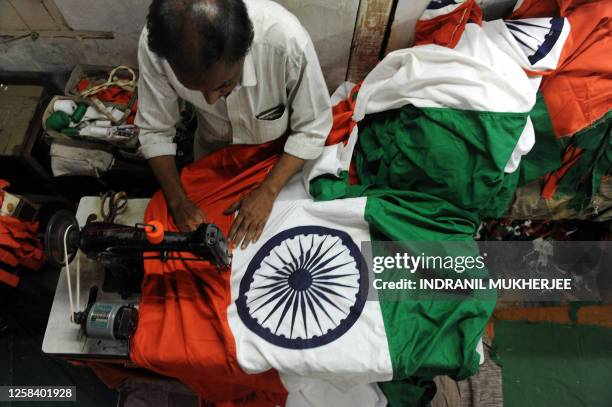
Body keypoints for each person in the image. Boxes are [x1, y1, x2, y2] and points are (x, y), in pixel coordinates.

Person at [136, 0, 332, 248]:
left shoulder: (285, 41)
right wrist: (178, 202)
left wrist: (268, 191)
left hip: (278, 161)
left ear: (245, 50)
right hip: (213, 157)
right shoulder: (161, 46)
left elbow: (313, 128)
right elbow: (155, 129)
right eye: (194, 89)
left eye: (223, 85)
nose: (210, 100)